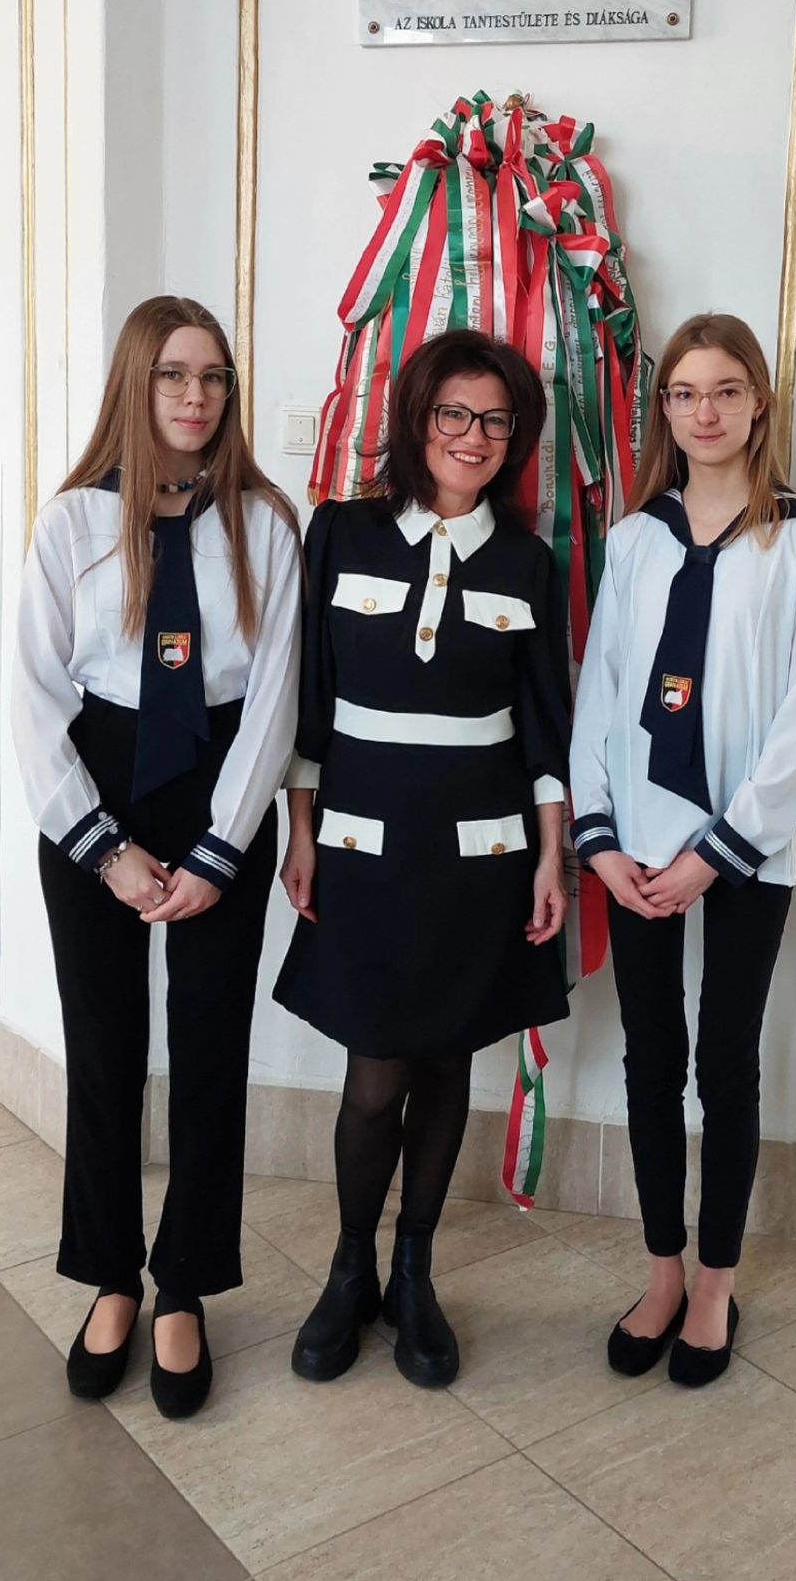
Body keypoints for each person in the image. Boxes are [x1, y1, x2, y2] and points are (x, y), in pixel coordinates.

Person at [13, 295, 302, 1418]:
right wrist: (103, 848)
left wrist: (223, 846)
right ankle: (110, 1275)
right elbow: (35, 696)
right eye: (175, 374)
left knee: (212, 1044)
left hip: (222, 778)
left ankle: (184, 1281)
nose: (196, 395)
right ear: (136, 384)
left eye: (214, 376)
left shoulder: (263, 525)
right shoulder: (72, 524)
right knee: (104, 1047)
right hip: (100, 777)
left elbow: (276, 694)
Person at [274, 328, 570, 1388]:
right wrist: (299, 829)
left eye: (495, 419)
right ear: (416, 418)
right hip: (363, 839)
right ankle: (350, 1266)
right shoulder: (342, 531)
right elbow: (308, 701)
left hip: (480, 850)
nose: (473, 436)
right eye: (454, 413)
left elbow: (546, 727)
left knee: (447, 1059)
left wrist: (552, 857)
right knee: (374, 1071)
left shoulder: (528, 561)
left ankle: (414, 1269)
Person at [570, 313, 796, 1388]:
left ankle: (717, 1281)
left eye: (726, 389)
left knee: (723, 1059)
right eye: (684, 392)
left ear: (758, 404)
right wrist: (600, 836)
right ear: (665, 410)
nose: (705, 410)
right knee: (649, 1055)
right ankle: (660, 1269)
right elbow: (602, 692)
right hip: (637, 844)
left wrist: (721, 849)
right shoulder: (638, 539)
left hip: (745, 848)